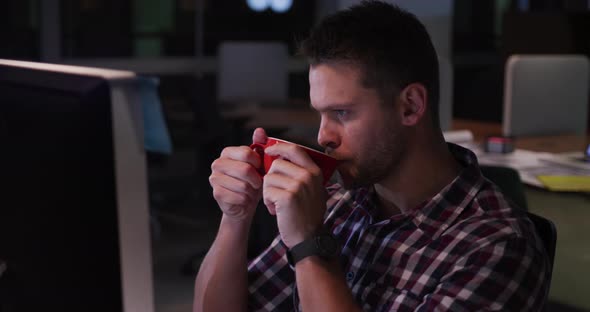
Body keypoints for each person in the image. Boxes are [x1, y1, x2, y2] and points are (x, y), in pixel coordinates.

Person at [193, 1, 550, 311]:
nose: (322, 136)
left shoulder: (496, 247)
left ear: (410, 106)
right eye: (320, 114)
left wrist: (309, 245)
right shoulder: (338, 205)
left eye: (342, 113)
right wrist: (237, 217)